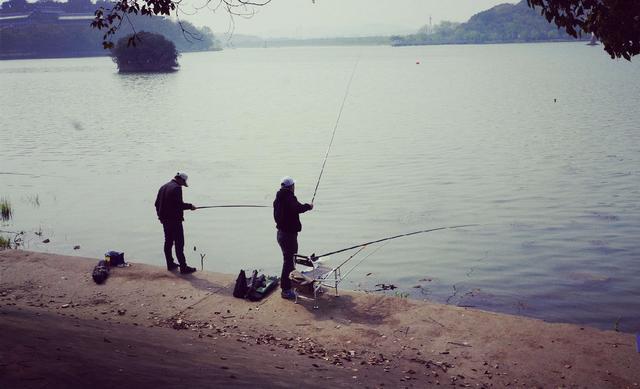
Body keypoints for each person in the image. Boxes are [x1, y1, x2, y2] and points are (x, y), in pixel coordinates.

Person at [273, 176, 313, 299]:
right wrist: (308, 206)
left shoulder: (279, 198)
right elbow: (297, 208)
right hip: (288, 236)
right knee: (289, 261)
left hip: (281, 234)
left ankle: (288, 285)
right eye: (293, 186)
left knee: (289, 260)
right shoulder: (289, 197)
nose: (294, 187)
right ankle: (286, 290)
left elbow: (290, 209)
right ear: (291, 187)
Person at [154, 172, 197, 274]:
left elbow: (156, 204)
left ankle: (170, 264)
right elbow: (178, 205)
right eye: (183, 183)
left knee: (168, 242)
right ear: (180, 179)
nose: (183, 185)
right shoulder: (176, 188)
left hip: (165, 220)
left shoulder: (163, 187)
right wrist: (190, 206)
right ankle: (183, 267)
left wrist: (160, 217)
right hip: (175, 221)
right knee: (179, 243)